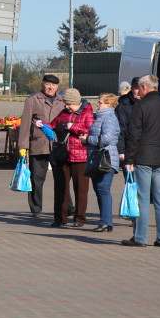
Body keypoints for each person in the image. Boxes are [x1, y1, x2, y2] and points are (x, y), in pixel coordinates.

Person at [122, 74, 160, 247]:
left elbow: (134, 134)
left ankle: (140, 237)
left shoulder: (141, 106)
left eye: (139, 88)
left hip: (143, 157)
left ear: (145, 87)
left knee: (143, 198)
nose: (138, 91)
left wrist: (129, 158)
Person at [21, 75, 68, 219]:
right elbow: (25, 124)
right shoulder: (32, 100)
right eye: (48, 84)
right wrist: (23, 146)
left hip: (57, 145)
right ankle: (36, 208)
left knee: (62, 178)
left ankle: (68, 207)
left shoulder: (62, 100)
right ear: (42, 85)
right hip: (39, 144)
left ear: (57, 87)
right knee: (37, 178)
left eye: (53, 85)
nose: (50, 87)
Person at [48, 88, 94, 227]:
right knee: (60, 188)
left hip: (81, 156)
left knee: (80, 189)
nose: (67, 107)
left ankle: (80, 218)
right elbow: (53, 125)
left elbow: (90, 132)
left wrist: (73, 127)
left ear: (77, 102)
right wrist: (43, 125)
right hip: (63, 155)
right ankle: (59, 218)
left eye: (69, 104)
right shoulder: (63, 113)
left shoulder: (87, 114)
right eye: (65, 103)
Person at [81, 92, 120, 232]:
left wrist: (87, 140)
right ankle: (105, 221)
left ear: (108, 104)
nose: (97, 104)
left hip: (106, 158)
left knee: (103, 189)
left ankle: (106, 222)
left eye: (100, 102)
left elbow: (106, 139)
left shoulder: (109, 118)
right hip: (97, 158)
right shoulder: (100, 118)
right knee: (99, 190)